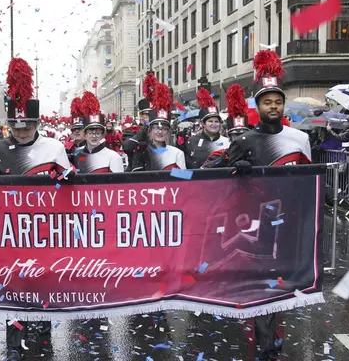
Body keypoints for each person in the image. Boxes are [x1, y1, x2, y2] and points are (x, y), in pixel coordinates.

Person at [210, 49, 311, 361]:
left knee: (280, 292)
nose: (274, 106)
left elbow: (311, 181)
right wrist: (232, 165)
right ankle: (266, 348)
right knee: (263, 292)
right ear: (258, 105)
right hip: (256, 229)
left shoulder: (299, 138)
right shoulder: (245, 140)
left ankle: (271, 341)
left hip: (289, 226)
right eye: (268, 101)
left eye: (278, 101)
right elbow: (211, 179)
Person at [0, 58, 72, 361]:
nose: (21, 133)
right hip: (8, 233)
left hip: (45, 231)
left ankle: (43, 336)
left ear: (37, 124)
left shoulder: (54, 147)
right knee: (14, 288)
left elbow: (71, 185)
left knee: (42, 284)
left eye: (27, 127)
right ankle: (13, 340)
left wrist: (66, 179)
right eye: (15, 127)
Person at [130, 82, 186, 171]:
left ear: (168, 131)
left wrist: (170, 171)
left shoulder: (177, 153)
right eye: (156, 128)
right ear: (150, 130)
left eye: (164, 129)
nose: (160, 132)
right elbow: (136, 179)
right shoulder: (141, 152)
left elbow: (186, 178)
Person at [74, 91, 124, 173]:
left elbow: (118, 184)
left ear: (102, 135)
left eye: (97, 133)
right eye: (90, 133)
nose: (94, 136)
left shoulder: (113, 157)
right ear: (85, 135)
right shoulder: (76, 154)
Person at [184, 88, 230, 169]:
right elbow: (183, 170)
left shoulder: (227, 141)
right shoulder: (191, 141)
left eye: (216, 121)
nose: (214, 124)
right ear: (203, 123)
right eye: (210, 121)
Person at [123, 71, 159, 170]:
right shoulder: (131, 131)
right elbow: (127, 147)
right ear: (141, 116)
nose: (151, 117)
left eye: (153, 114)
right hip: (136, 172)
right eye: (148, 115)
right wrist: (146, 127)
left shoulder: (162, 131)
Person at [65, 96, 86, 163]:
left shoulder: (91, 147)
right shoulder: (67, 148)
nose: (77, 131)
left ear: (85, 131)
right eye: (74, 129)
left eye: (79, 128)